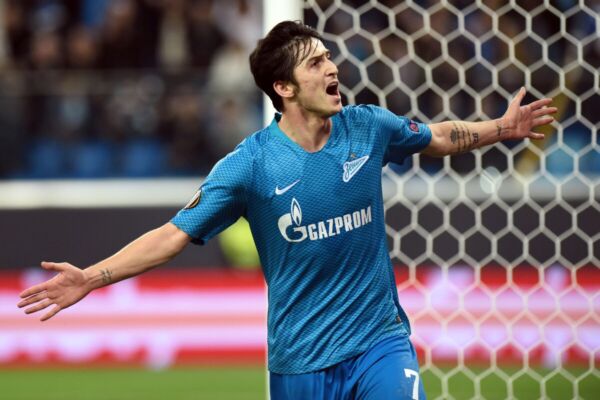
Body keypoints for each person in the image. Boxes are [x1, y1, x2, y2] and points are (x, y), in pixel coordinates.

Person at [18, 21, 556, 400]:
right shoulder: (249, 166)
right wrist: (92, 277)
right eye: (316, 62)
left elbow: (435, 137)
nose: (332, 67)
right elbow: (173, 236)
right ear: (284, 88)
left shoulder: (367, 126)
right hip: (301, 361)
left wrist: (501, 129)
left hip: (380, 341)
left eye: (328, 56)